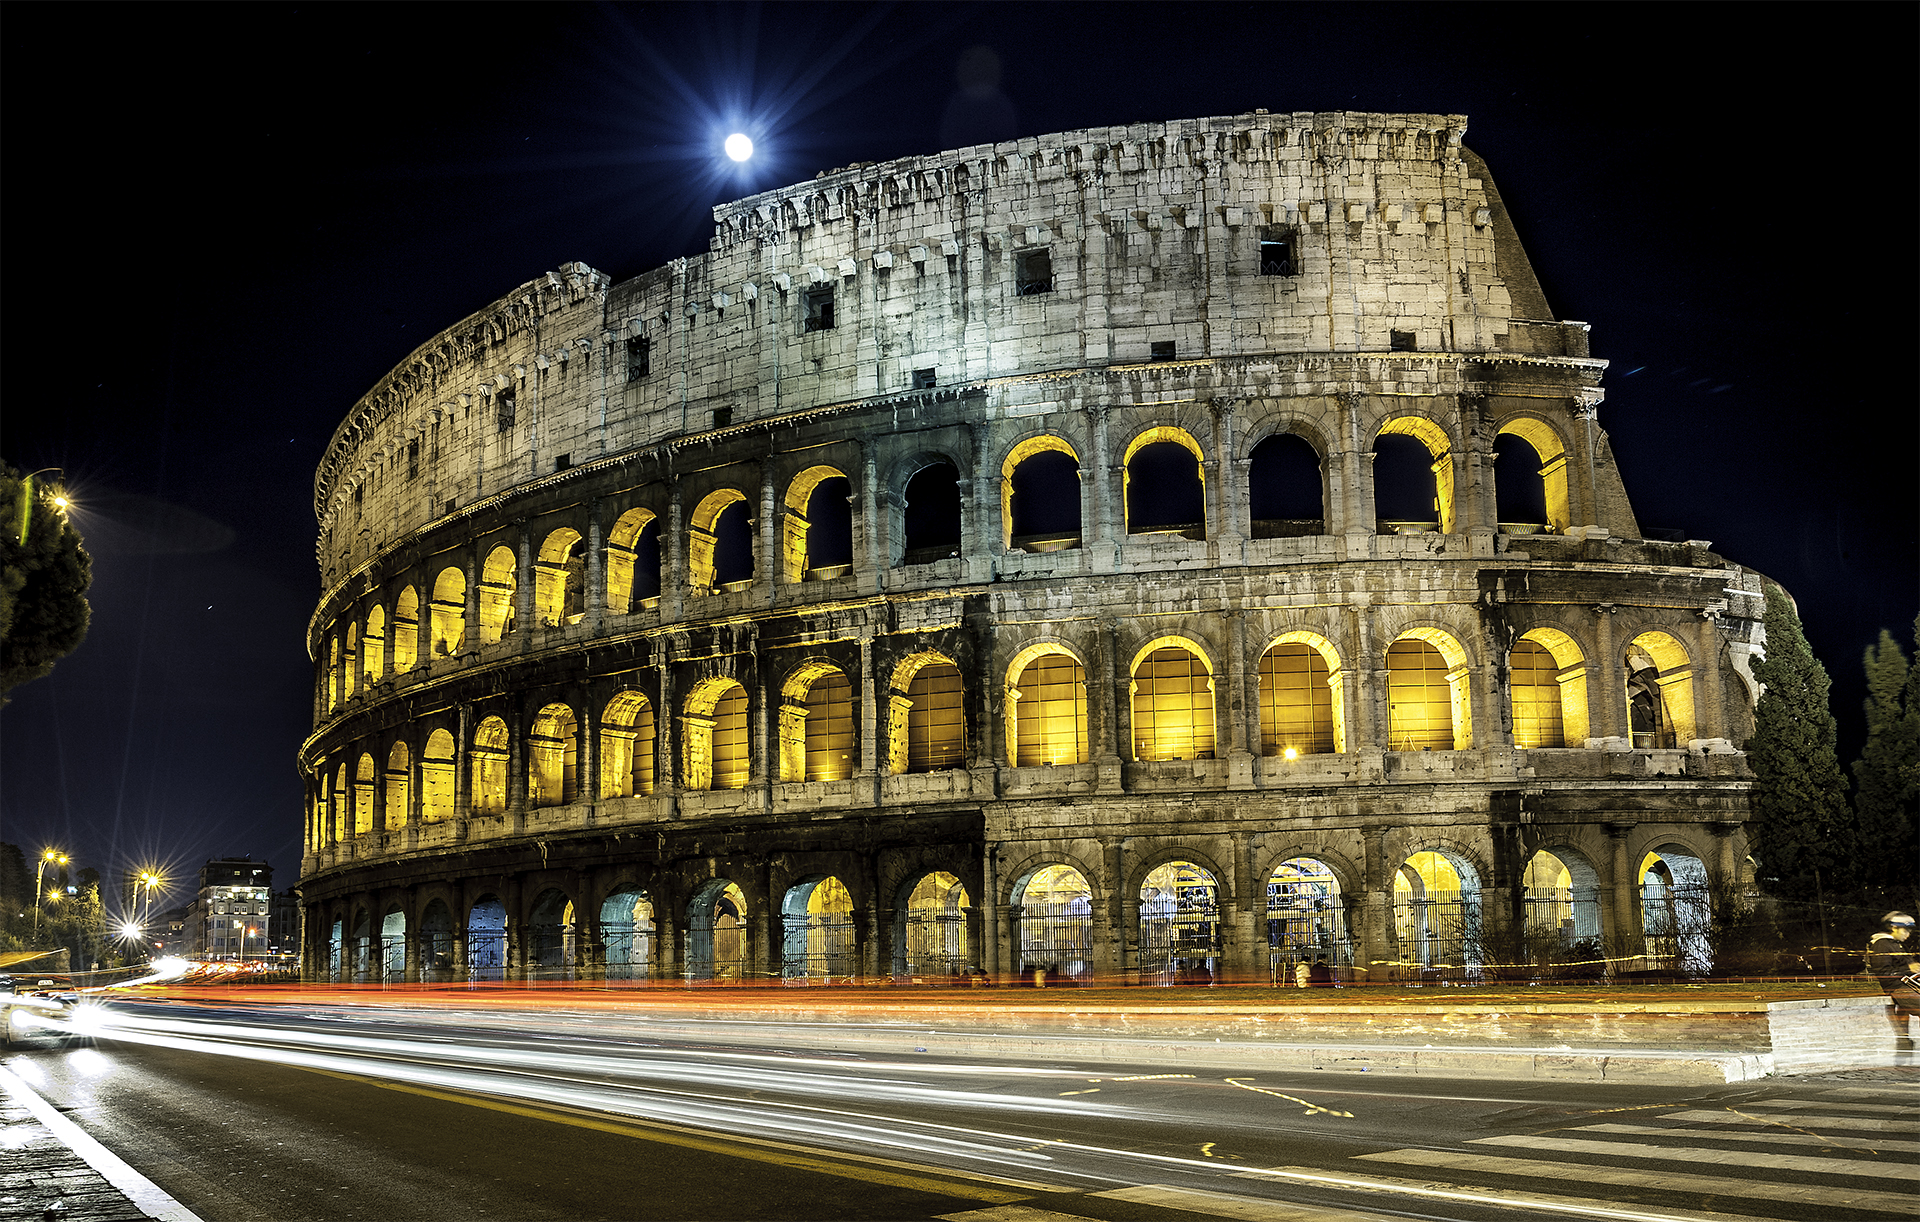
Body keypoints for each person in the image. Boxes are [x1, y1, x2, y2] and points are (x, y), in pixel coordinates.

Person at [1866, 911, 1920, 1056]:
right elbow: (1883, 973)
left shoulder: (1897, 945)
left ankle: (1905, 1042)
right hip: (1897, 988)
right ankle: (1904, 1042)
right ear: (1894, 927)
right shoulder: (1882, 945)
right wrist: (1908, 968)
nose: (1908, 934)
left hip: (1909, 986)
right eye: (1905, 930)